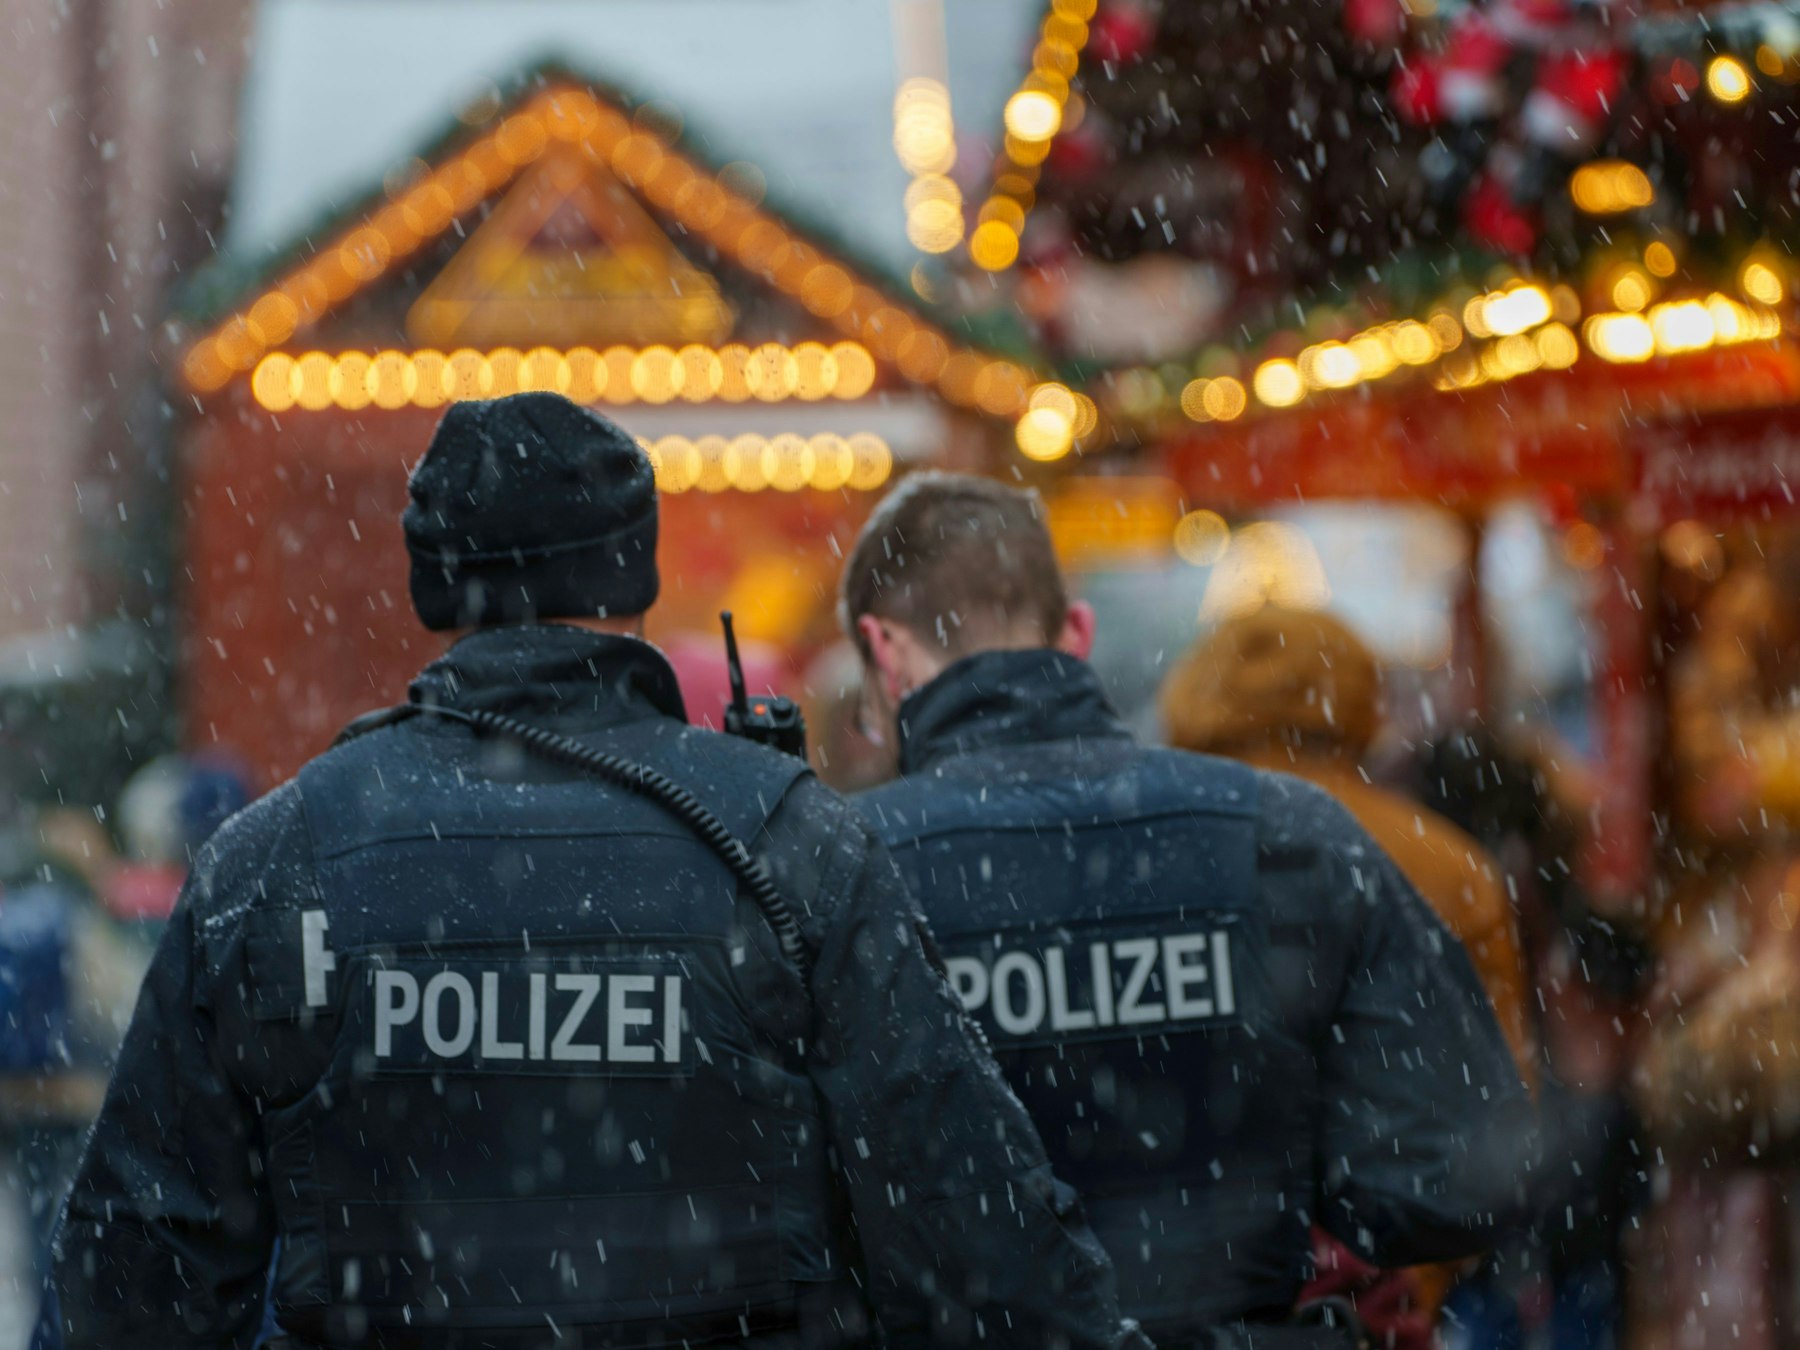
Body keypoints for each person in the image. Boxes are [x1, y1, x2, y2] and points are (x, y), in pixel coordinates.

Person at [34, 395, 1149, 1350]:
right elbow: (983, 1247)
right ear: (634, 584)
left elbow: (133, 1283)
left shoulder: (275, 861)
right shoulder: (788, 844)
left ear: (438, 590)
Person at [841, 473, 1534, 1349]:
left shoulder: (843, 863)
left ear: (885, 650)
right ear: (1075, 634)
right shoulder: (1287, 834)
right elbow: (1460, 1175)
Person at [1159, 609, 1536, 1085]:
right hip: (1406, 1149)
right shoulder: (1446, 863)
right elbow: (1502, 1082)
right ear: (1362, 702)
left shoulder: (1156, 856)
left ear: (1194, 700)